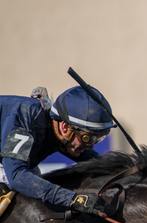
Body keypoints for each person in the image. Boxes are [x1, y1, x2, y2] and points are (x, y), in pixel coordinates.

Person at [0, 86, 116, 216]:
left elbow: (92, 160)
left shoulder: (59, 129)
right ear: (65, 127)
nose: (90, 146)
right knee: (10, 184)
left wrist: (125, 167)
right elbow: (16, 176)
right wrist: (74, 199)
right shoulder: (26, 120)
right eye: (87, 138)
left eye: (97, 139)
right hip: (10, 171)